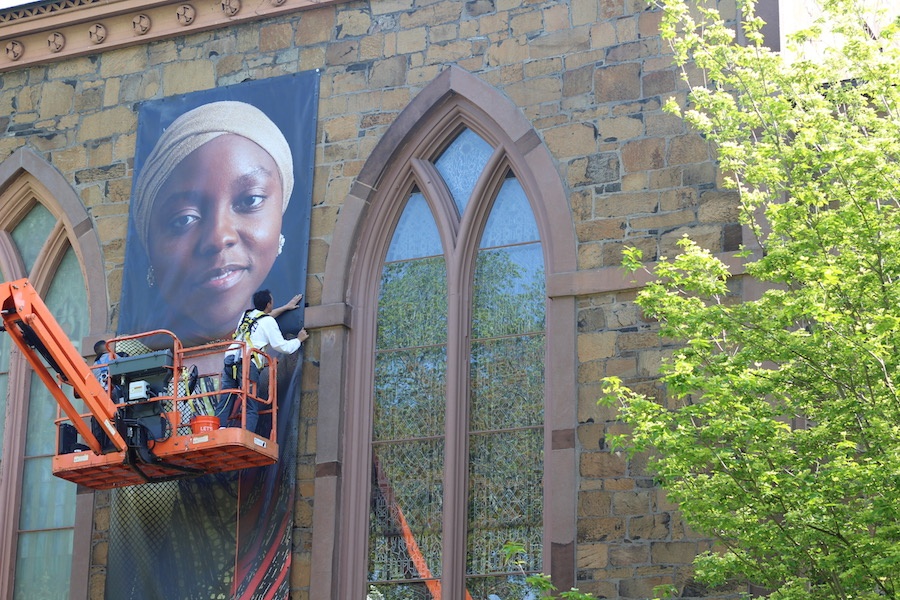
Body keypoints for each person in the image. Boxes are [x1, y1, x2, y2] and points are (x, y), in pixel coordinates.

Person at [123, 100, 296, 346]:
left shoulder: (286, 362)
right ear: (149, 245)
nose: (218, 237)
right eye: (184, 219)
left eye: (250, 200)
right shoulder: (130, 356)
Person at [216, 289, 309, 434]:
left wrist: (285, 307)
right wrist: (298, 340)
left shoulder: (246, 315)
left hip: (230, 357)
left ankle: (219, 428)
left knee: (227, 396)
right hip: (247, 361)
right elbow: (282, 346)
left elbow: (263, 318)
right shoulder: (268, 321)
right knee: (250, 402)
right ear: (268, 304)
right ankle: (246, 434)